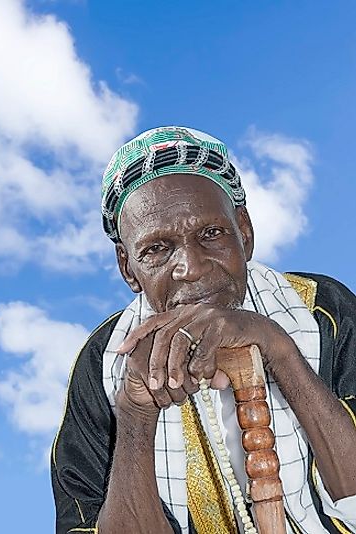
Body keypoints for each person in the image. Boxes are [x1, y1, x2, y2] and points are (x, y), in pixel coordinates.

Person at [51, 126, 356, 533]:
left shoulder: (322, 309)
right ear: (128, 267)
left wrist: (279, 349)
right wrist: (136, 413)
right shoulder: (104, 362)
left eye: (211, 234)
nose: (189, 267)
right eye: (156, 249)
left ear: (244, 233)